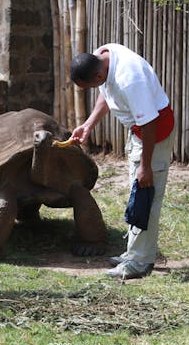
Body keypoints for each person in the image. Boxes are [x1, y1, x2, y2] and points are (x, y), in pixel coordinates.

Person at [70, 43, 175, 279]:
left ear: (98, 74)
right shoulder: (103, 56)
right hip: (139, 130)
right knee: (137, 193)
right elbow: (106, 93)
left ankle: (139, 262)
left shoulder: (130, 79)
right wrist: (88, 125)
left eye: (90, 85)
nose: (93, 89)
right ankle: (135, 253)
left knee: (145, 196)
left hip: (153, 134)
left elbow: (150, 123)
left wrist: (146, 167)